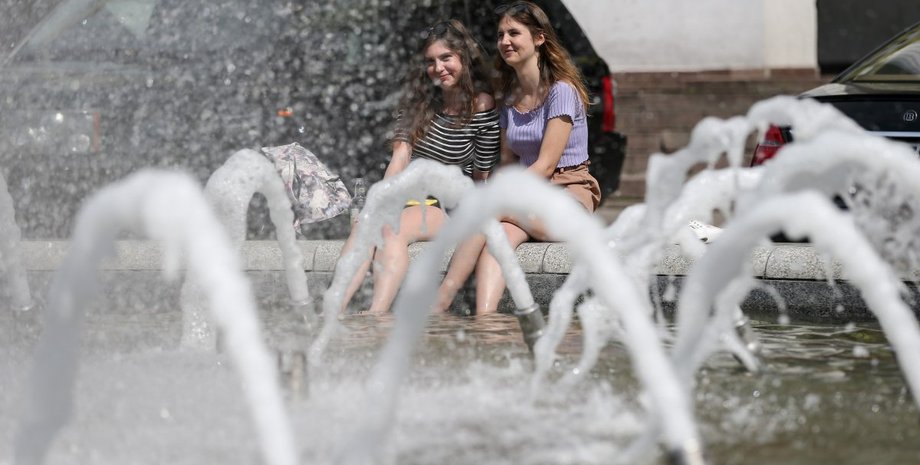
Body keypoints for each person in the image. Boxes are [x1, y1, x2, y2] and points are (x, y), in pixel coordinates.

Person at [435, 1, 601, 315]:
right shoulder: (510, 99)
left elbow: (547, 164)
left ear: (539, 38)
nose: (504, 41)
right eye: (500, 35)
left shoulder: (561, 91)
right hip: (527, 202)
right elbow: (509, 164)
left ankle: (440, 301)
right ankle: (486, 321)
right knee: (497, 237)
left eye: (514, 33)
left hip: (568, 197)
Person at [339, 19, 500, 314]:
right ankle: (333, 310)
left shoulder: (482, 105)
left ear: (463, 57)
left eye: (446, 58)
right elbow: (400, 158)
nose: (438, 68)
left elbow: (481, 174)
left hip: (445, 206)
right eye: (430, 61)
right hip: (406, 195)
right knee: (365, 224)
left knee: (390, 230)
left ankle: (376, 314)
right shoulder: (418, 102)